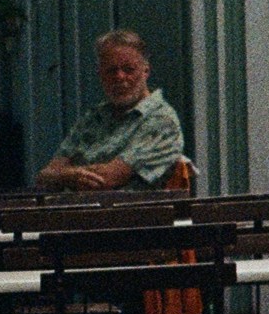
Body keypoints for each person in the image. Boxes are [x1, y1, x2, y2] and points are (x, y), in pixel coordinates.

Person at [38, 29, 186, 192]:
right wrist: (69, 176)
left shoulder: (162, 121)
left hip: (126, 213)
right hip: (72, 210)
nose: (120, 77)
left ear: (146, 71)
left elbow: (108, 178)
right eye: (111, 71)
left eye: (129, 69)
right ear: (100, 74)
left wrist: (64, 175)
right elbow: (45, 176)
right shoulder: (93, 117)